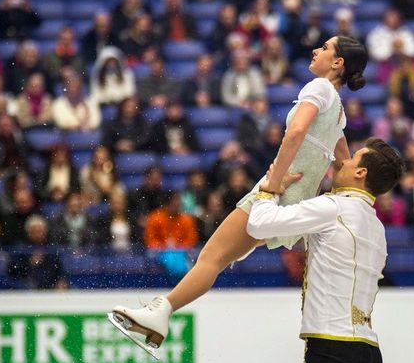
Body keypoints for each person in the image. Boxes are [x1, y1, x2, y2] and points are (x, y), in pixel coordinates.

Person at [116, 138, 405, 363]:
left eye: (353, 159)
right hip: (367, 355)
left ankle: (162, 310)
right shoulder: (375, 224)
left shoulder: (334, 208)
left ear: (361, 174)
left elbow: (260, 224)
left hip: (333, 351)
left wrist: (270, 188)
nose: (342, 161)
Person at [111, 36, 369, 344]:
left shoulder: (318, 88)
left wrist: (272, 186)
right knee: (220, 259)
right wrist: (359, 203)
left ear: (338, 63)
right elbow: (343, 165)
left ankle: (160, 313)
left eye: (325, 48)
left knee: (211, 257)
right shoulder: (339, 110)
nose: (315, 50)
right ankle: (161, 313)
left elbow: (296, 132)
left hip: (277, 195)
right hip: (298, 205)